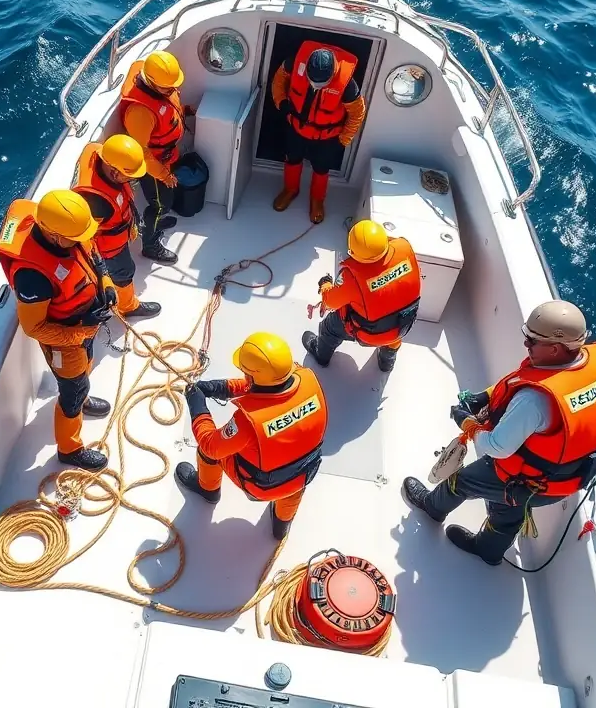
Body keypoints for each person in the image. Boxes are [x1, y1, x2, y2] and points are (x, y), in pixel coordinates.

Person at [401, 300, 596, 566]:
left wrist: (468, 424)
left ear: (555, 348)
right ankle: (489, 550)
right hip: (562, 480)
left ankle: (431, 506)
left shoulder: (534, 402)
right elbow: (525, 378)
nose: (526, 345)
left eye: (532, 340)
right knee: (510, 504)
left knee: (461, 482)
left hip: (526, 478)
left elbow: (497, 446)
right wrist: (484, 396)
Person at [0, 190, 122, 471]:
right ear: (53, 236)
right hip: (64, 337)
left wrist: (107, 283)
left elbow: (93, 254)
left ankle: (83, 398)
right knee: (73, 390)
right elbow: (34, 327)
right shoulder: (32, 277)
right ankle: (70, 449)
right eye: (76, 237)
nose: (82, 239)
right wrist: (79, 333)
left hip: (85, 325)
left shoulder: (72, 232)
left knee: (86, 366)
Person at [175, 333, 329, 539]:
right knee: (293, 483)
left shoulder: (248, 421)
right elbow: (265, 385)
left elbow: (211, 444)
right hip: (302, 476)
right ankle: (281, 526)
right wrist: (222, 388)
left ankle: (208, 490)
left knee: (207, 453)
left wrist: (198, 407)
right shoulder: (309, 380)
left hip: (261, 488)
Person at [302, 219, 421, 373]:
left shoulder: (351, 278)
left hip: (370, 336)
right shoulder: (405, 248)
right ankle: (387, 361)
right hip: (402, 326)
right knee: (395, 320)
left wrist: (325, 284)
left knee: (329, 326)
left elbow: (330, 301)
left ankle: (321, 354)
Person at [270, 41, 367, 224]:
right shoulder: (294, 63)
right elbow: (279, 79)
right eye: (312, 80)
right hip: (296, 127)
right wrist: (281, 101)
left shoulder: (348, 85)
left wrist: (344, 139)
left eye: (322, 83)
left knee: (321, 169)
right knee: (292, 159)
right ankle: (290, 189)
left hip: (326, 137)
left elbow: (357, 113)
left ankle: (317, 200)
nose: (316, 85)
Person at [119, 50, 196, 265]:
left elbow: (168, 110)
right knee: (161, 205)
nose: (175, 89)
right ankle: (150, 245)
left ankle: (157, 224)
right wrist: (163, 175)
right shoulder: (139, 112)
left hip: (167, 157)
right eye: (169, 87)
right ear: (151, 83)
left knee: (165, 202)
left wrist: (186, 110)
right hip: (154, 166)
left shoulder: (163, 88)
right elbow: (141, 154)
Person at [71, 134, 161, 320]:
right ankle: (128, 307)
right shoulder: (96, 202)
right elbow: (86, 238)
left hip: (118, 226)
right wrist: (101, 270)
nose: (131, 179)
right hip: (109, 249)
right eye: (129, 176)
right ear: (114, 172)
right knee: (124, 271)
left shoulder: (98, 152)